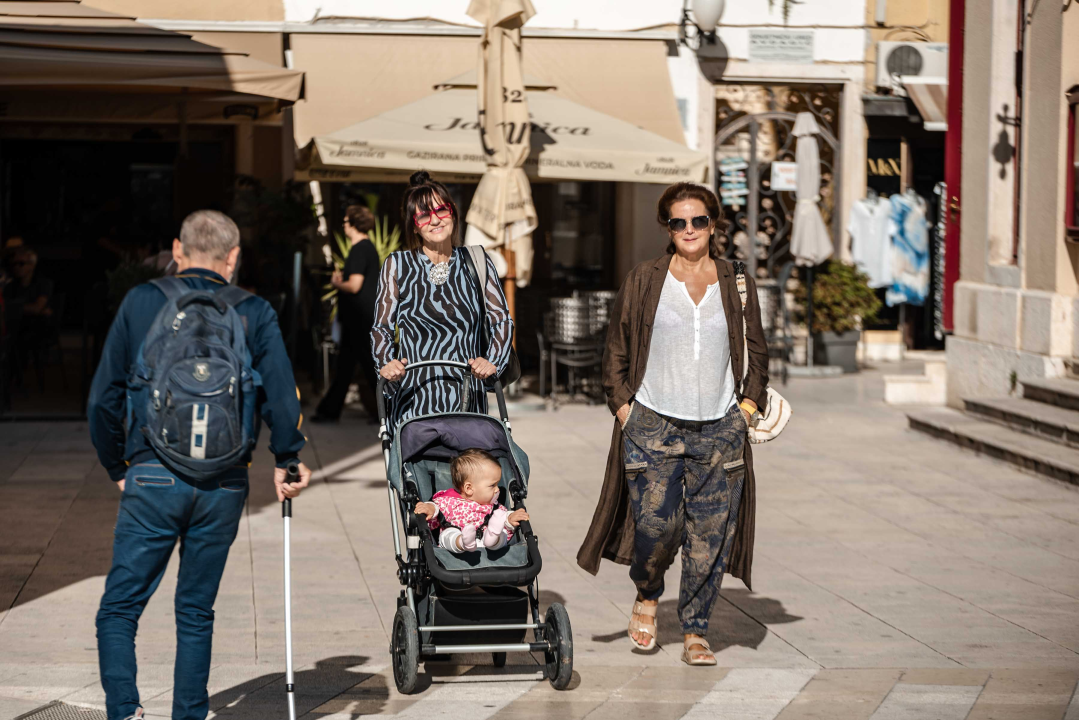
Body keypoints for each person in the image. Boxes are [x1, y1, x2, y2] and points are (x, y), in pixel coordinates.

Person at [87, 210, 313, 720]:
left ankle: (126, 711)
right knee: (195, 610)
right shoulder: (254, 310)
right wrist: (288, 457)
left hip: (151, 471)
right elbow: (282, 395)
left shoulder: (142, 300)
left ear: (177, 250)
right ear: (234, 258)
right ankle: (188, 714)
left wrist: (117, 465)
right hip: (224, 481)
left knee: (120, 608)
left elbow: (103, 398)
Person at [576, 182, 769, 667]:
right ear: (667, 227)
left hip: (719, 429)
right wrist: (624, 408)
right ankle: (647, 593)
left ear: (713, 223)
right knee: (654, 528)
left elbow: (758, 350)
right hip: (653, 423)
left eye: (698, 220)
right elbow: (616, 348)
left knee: (710, 536)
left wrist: (746, 409)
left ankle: (696, 630)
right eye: (678, 221)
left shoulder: (736, 281)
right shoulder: (645, 279)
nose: (689, 229)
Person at [372, 171, 513, 429]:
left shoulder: (478, 261)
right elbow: (381, 327)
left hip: (468, 400)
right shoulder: (397, 265)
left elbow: (501, 320)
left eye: (441, 210)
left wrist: (492, 361)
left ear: (453, 212)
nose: (435, 220)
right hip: (413, 402)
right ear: (414, 224)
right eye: (424, 215)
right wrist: (386, 363)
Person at [314, 204, 381, 423]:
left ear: (353, 223)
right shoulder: (366, 248)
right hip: (360, 318)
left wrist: (336, 283)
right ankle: (329, 410)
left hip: (359, 319)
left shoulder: (360, 249)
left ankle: (388, 411)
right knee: (348, 366)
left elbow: (354, 285)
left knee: (365, 366)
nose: (343, 225)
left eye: (345, 221)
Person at [414, 448, 529, 552]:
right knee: (447, 535)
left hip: (486, 538)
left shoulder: (493, 506)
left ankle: (493, 537)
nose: (497, 489)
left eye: (497, 484)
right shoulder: (449, 500)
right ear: (469, 488)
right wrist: (430, 508)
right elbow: (436, 507)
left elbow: (502, 514)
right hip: (458, 536)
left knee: (501, 532)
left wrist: (510, 518)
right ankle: (463, 542)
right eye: (492, 485)